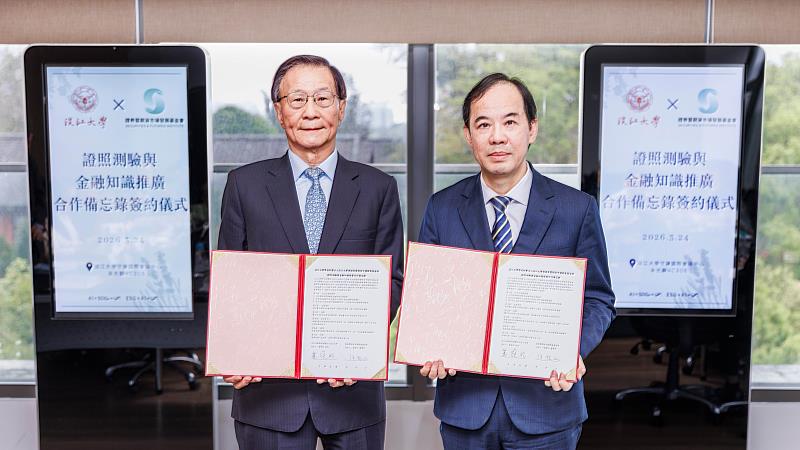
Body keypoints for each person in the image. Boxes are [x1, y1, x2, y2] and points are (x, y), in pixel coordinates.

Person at [418, 73, 615, 449]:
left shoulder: (577, 209)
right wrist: (429, 344)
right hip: (466, 407)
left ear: (531, 128)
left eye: (510, 122)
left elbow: (599, 299)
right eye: (483, 125)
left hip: (546, 407)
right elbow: (428, 300)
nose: (497, 136)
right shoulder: (442, 208)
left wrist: (572, 350)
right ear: (468, 135)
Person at [217, 54, 403, 450]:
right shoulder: (244, 185)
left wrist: (356, 347)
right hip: (268, 397)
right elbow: (230, 282)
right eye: (297, 100)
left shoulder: (378, 188)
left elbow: (392, 280)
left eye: (322, 98)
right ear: (279, 111)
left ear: (341, 107)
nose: (311, 112)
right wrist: (233, 348)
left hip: (352, 393)